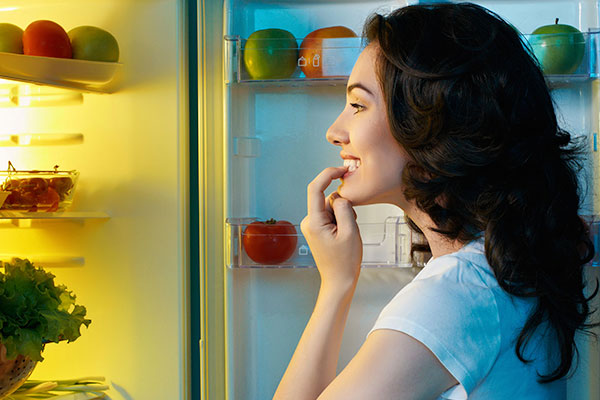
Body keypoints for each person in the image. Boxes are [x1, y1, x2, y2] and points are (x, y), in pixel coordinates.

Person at [272, 2, 599, 400]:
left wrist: (336, 286)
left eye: (357, 105)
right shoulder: (502, 267)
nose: (334, 131)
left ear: (430, 125)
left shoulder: (453, 297)